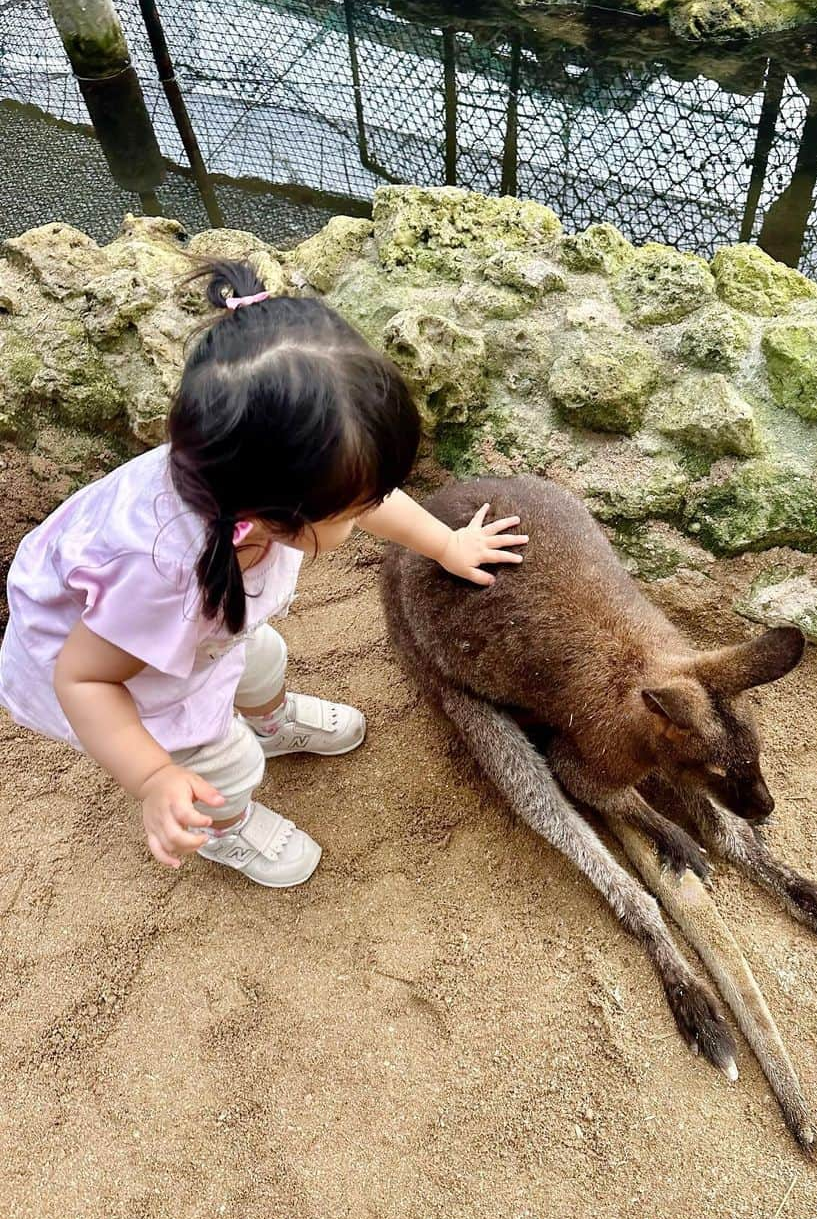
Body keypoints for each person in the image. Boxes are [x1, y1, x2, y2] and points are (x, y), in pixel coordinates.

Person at [0, 260, 528, 889]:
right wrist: (154, 778)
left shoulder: (249, 468)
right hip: (122, 667)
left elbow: (367, 497)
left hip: (177, 626)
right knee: (219, 759)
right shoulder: (163, 573)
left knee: (260, 655)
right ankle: (227, 825)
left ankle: (271, 722)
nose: (373, 510)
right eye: (354, 509)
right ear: (270, 514)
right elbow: (84, 679)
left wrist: (445, 544)